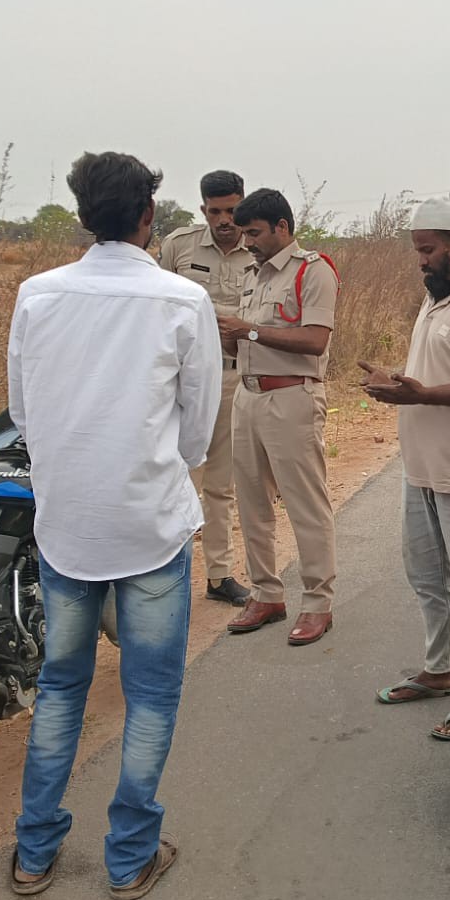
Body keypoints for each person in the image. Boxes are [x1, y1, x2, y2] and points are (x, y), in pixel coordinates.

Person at [7, 151, 219, 900]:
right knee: (151, 693)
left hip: (67, 526)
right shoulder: (182, 300)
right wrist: (154, 466)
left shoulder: (37, 295)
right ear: (148, 216)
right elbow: (198, 428)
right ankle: (130, 857)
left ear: (82, 216)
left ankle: (34, 851)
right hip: (150, 526)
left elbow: (24, 413)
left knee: (60, 686)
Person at [360, 199, 450, 738]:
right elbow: (436, 373)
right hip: (419, 468)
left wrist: (422, 396)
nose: (419, 260)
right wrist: (400, 383)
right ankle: (440, 670)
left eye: (427, 250)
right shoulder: (436, 296)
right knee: (425, 577)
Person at [219, 188, 340, 647]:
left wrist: (248, 330)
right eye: (245, 234)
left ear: (282, 227)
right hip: (248, 395)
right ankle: (266, 594)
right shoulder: (253, 275)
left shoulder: (313, 270)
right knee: (251, 503)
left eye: (254, 233)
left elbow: (314, 340)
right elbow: (245, 341)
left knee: (305, 503)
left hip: (292, 397)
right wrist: (229, 335)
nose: (247, 242)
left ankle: (318, 603)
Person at [160, 169, 253, 606]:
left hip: (234, 376)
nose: (224, 220)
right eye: (215, 212)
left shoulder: (259, 248)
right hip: (182, 380)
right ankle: (166, 576)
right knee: (176, 477)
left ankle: (219, 574)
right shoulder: (178, 246)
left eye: (232, 210)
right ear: (203, 210)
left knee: (221, 482)